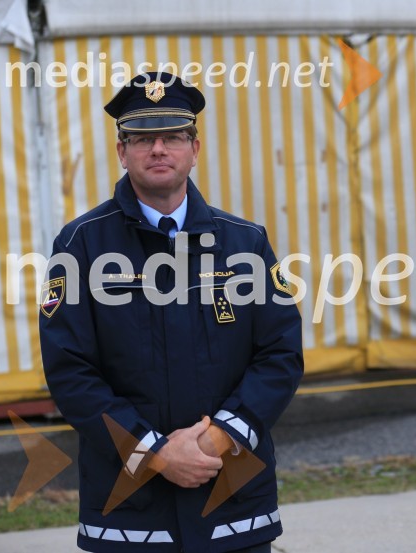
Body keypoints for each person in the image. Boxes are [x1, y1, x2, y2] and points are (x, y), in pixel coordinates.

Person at [39, 72, 303, 553]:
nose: (158, 149)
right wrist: (155, 453)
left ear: (194, 149)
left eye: (172, 137)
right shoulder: (80, 245)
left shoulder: (246, 243)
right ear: (122, 152)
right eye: (142, 138)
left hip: (232, 499)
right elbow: (70, 372)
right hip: (132, 512)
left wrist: (219, 438)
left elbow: (280, 353)